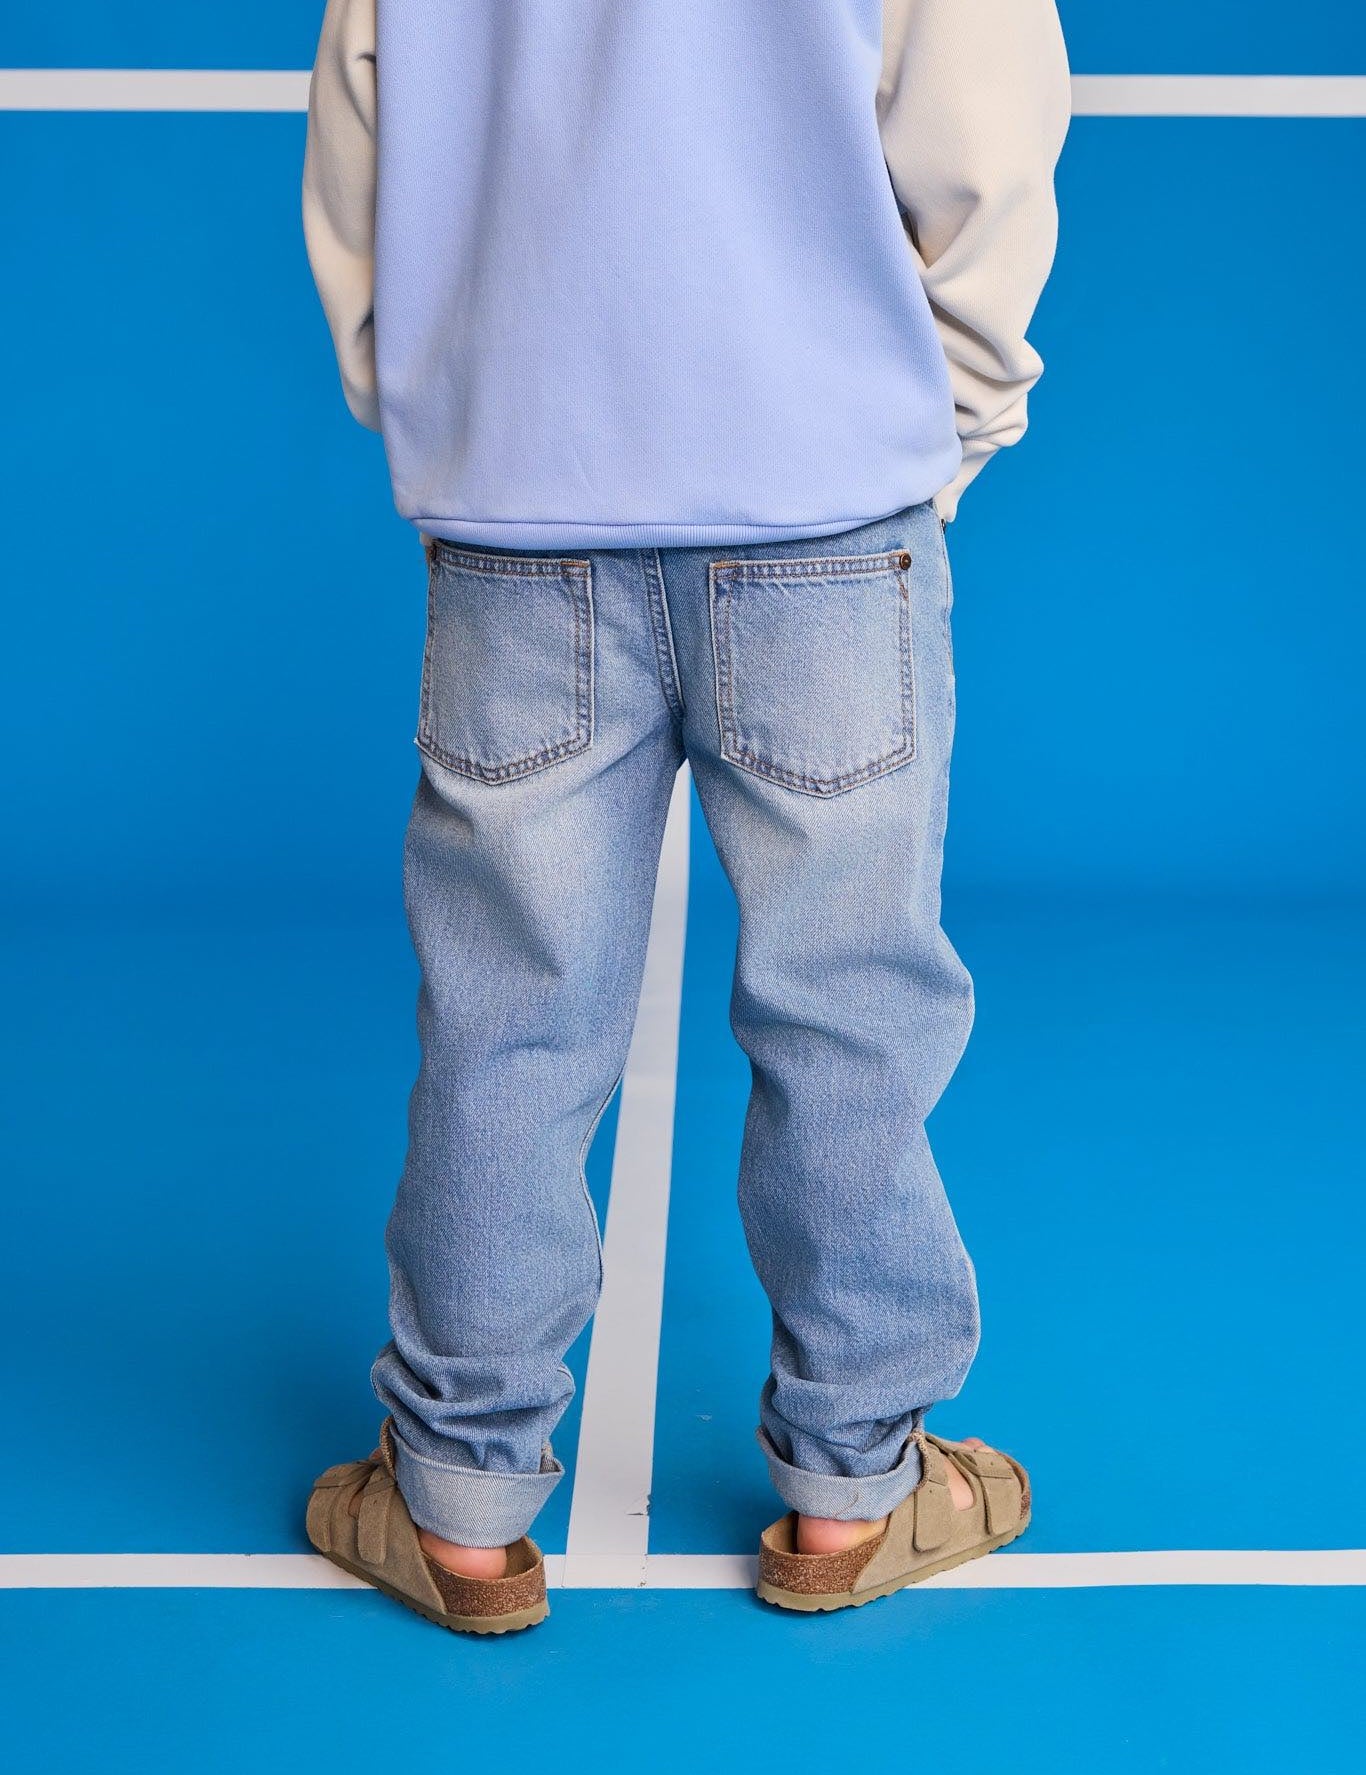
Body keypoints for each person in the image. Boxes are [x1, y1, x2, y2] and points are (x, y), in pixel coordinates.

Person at [301, 0, 1070, 1633]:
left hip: (519, 512)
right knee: (848, 1006)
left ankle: (455, 1504)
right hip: (823, 508)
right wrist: (943, 430)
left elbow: (362, 139)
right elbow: (984, 147)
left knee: (507, 1021)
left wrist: (444, 420)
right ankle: (851, 1491)